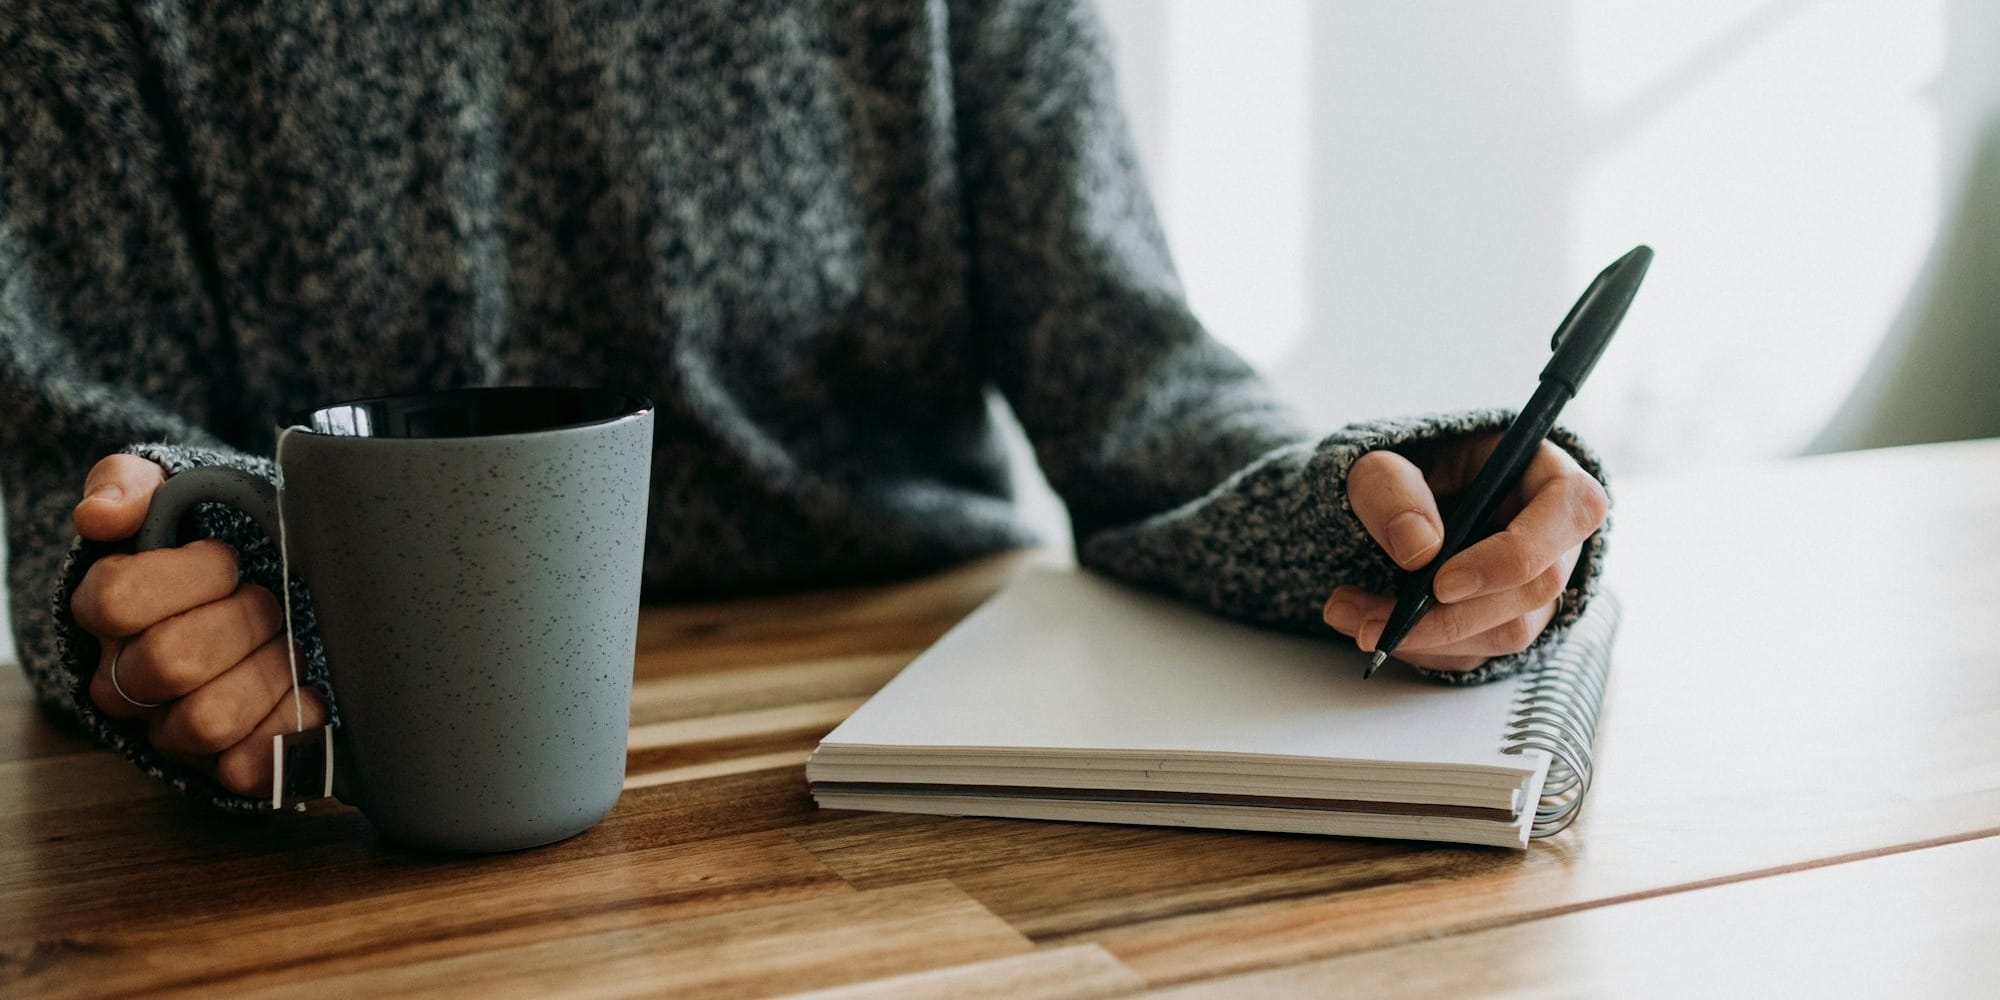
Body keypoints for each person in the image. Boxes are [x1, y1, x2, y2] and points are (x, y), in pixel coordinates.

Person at [0, 0, 1609, 809]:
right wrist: (157, 612)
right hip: (365, 776)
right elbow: (76, 461)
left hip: (939, 739)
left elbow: (1139, 386)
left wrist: (1384, 499)